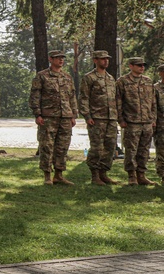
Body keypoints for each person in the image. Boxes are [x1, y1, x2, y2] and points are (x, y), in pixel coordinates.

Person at [29, 49, 78, 185]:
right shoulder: (42, 76)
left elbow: (72, 97)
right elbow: (35, 96)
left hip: (65, 117)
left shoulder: (67, 77)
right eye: (57, 58)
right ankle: (47, 176)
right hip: (48, 117)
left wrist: (73, 115)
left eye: (62, 58)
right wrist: (37, 114)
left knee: (62, 147)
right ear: (50, 59)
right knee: (47, 146)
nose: (60, 60)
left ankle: (59, 175)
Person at [78, 50, 119, 186]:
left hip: (111, 118)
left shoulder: (110, 78)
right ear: (95, 60)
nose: (105, 61)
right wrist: (87, 116)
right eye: (102, 59)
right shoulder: (89, 78)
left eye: (107, 59)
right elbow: (84, 98)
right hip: (97, 118)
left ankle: (103, 173)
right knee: (97, 147)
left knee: (110, 147)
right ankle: (94, 174)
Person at [116, 56, 156, 186]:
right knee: (131, 150)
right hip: (131, 121)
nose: (142, 67)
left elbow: (153, 102)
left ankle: (141, 175)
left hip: (147, 122)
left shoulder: (148, 81)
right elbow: (118, 101)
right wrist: (120, 119)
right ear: (131, 66)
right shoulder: (123, 81)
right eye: (139, 65)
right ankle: (132, 176)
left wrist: (153, 118)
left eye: (143, 65)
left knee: (144, 150)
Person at [154, 64, 164, 182]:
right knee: (161, 151)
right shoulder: (155, 88)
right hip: (161, 124)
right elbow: (152, 106)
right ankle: (163, 175)